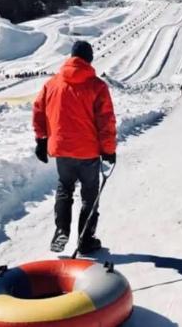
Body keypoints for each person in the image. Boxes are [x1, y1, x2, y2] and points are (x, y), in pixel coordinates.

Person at [33, 40, 117, 254]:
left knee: (65, 188)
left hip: (61, 149)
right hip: (87, 151)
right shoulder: (96, 85)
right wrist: (108, 149)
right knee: (89, 195)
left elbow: (38, 112)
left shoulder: (52, 84)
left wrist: (41, 140)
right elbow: (105, 120)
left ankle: (61, 229)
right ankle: (85, 239)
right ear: (89, 60)